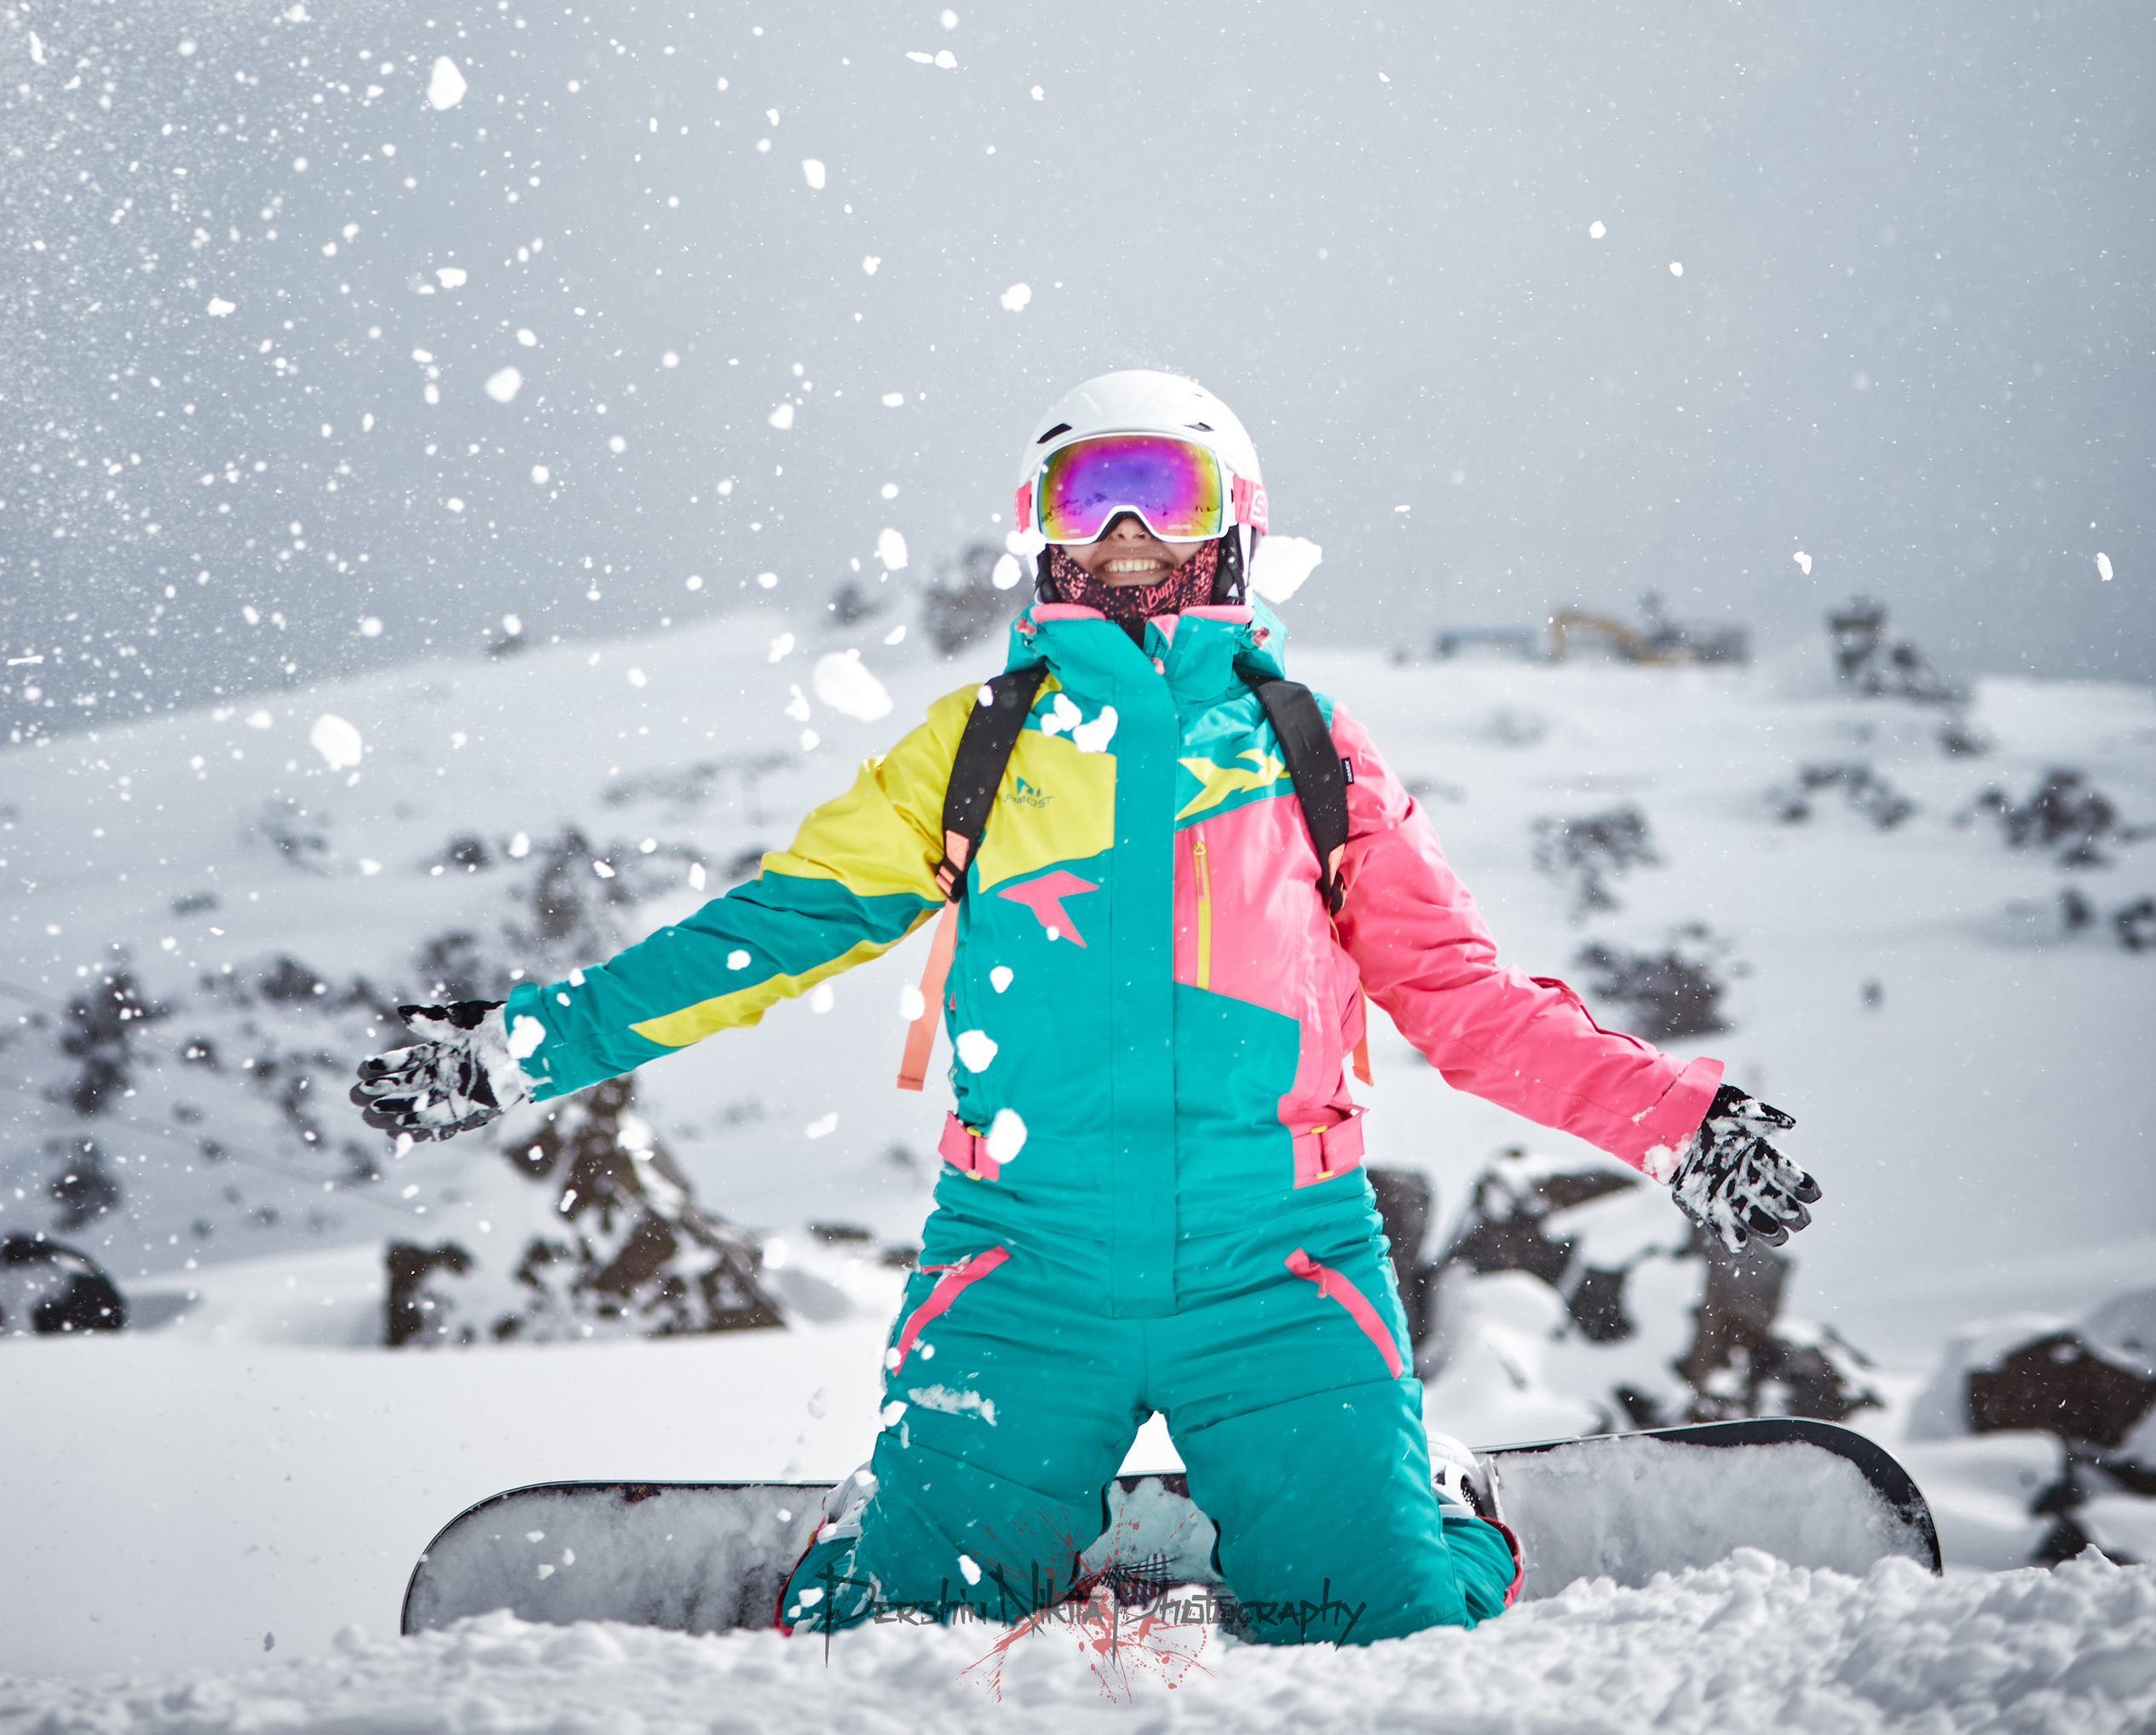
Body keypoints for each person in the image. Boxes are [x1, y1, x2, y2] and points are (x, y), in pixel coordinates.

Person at [351, 367, 1819, 1643]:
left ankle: (1424, 1503)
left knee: (1397, 1628)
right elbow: (772, 933)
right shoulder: (981, 748)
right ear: (1038, 525)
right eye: (1084, 494)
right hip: (1022, 1272)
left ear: (1230, 516)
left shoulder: (1312, 754)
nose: (1121, 534)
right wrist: (514, 1051)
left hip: (1281, 1270)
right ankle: (873, 1541)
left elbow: (1464, 1002)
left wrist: (1683, 1122)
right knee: (910, 1636)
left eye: (1157, 491)